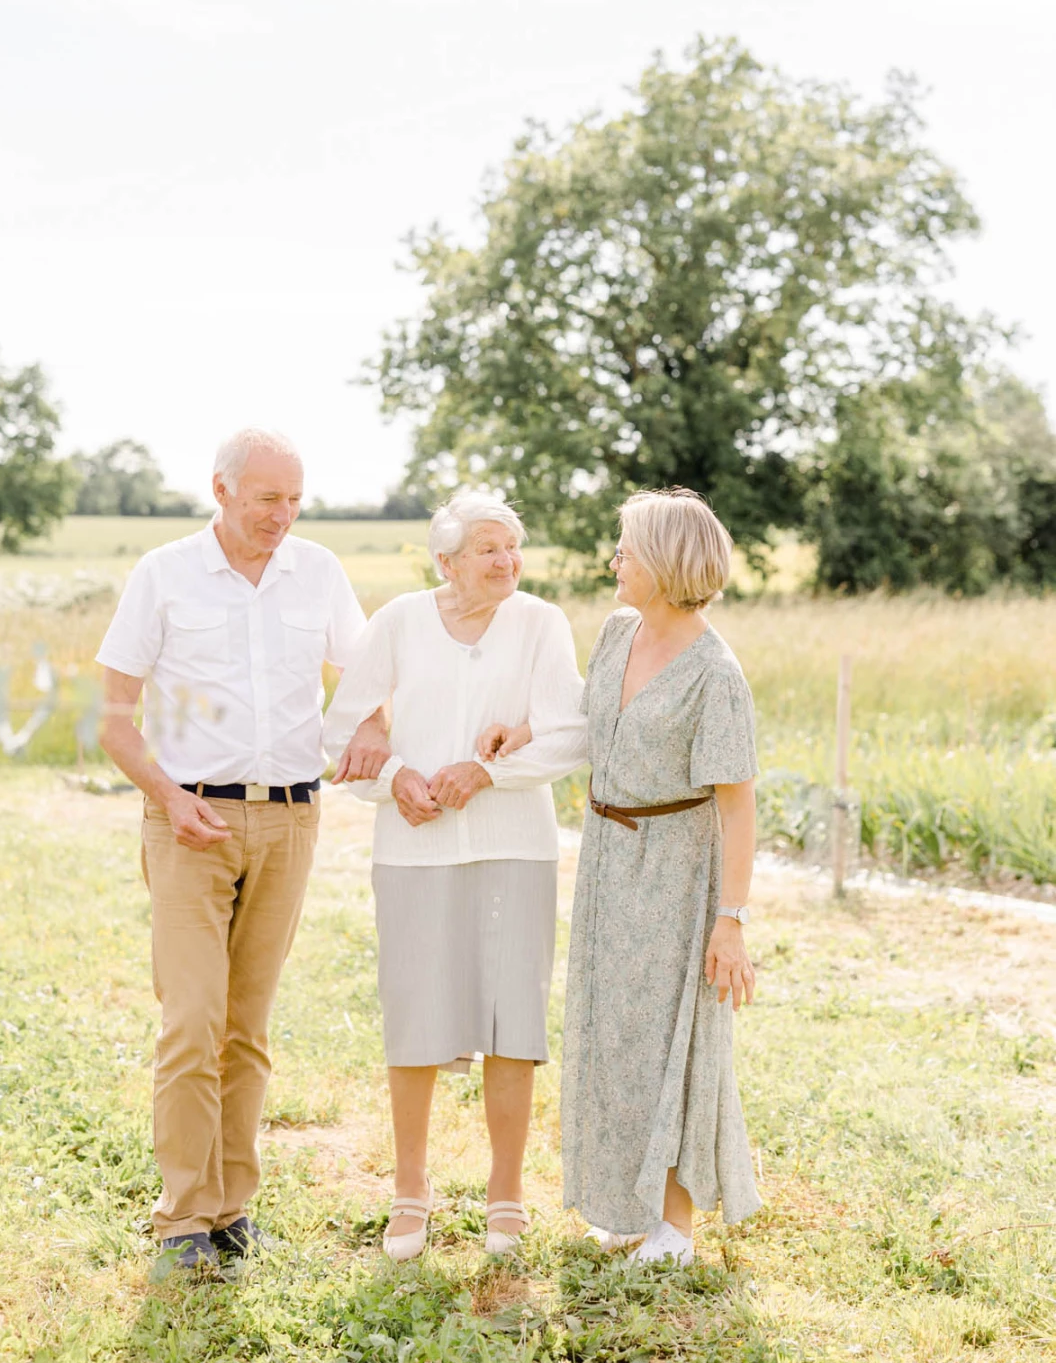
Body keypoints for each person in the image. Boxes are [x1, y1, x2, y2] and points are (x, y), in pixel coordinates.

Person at [96, 428, 389, 1269]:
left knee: (248, 1028)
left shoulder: (319, 572)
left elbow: (368, 674)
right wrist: (167, 797)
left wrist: (372, 723)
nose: (283, 516)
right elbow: (115, 720)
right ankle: (182, 1219)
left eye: (294, 500)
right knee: (193, 1023)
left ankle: (230, 1209)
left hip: (292, 819)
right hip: (191, 824)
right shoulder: (163, 574)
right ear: (221, 491)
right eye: (268, 499)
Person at [322, 490, 585, 1261]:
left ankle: (507, 1195)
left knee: (514, 1020)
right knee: (415, 1016)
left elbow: (571, 734)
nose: (507, 562)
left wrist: (487, 773)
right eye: (488, 550)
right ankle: (411, 1192)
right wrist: (396, 775)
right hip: (414, 849)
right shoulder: (399, 621)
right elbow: (344, 728)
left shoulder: (541, 622)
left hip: (516, 847)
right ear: (447, 561)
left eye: (512, 547)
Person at [558, 487, 760, 1264]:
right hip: (606, 857)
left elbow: (737, 808)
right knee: (611, 1033)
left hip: (678, 868)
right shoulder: (617, 632)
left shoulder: (716, 674)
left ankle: (676, 1223)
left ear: (667, 563)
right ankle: (629, 1206)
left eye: (627, 550)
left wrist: (731, 917)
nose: (614, 560)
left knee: (672, 1036)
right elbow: (586, 728)